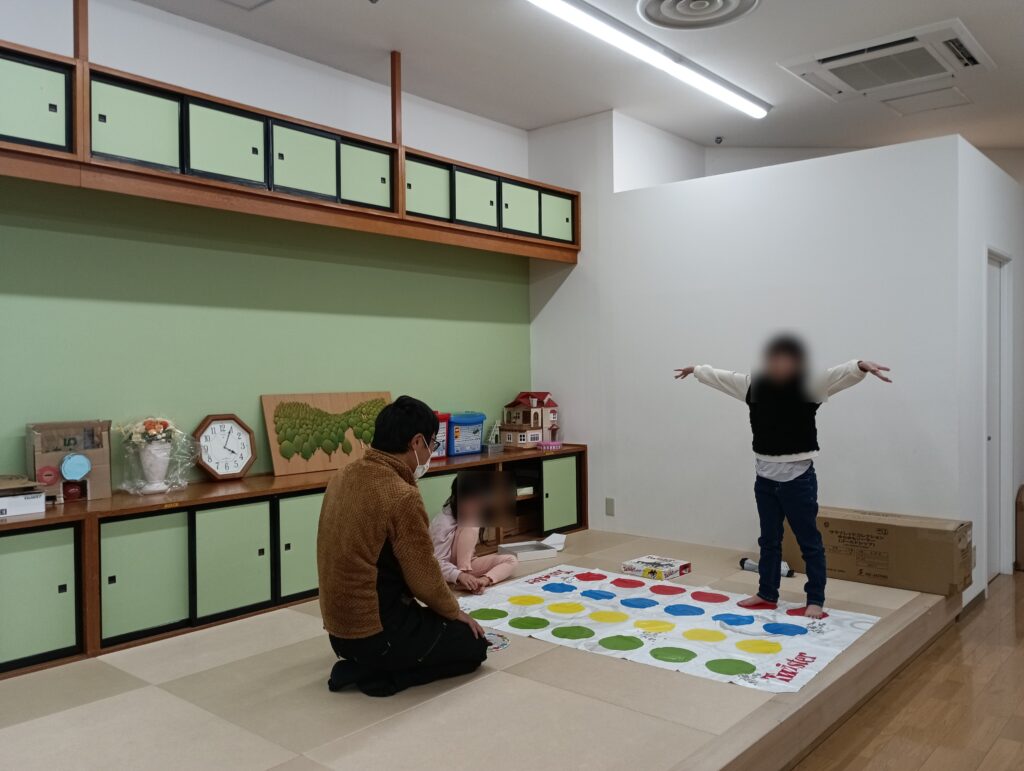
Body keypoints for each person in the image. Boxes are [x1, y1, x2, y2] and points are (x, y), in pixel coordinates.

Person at [674, 335, 891, 619]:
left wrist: (859, 366)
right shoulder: (754, 385)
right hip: (764, 477)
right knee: (769, 540)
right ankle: (767, 593)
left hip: (798, 478)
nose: (779, 365)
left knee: (808, 541)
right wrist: (697, 370)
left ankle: (815, 600)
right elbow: (723, 378)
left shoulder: (809, 386)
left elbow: (837, 376)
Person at [317, 395, 489, 697]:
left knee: (432, 625)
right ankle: (379, 674)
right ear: (417, 442)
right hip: (375, 634)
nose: (431, 453)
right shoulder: (400, 494)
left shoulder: (342, 476)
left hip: (337, 634)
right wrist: (454, 612)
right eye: (432, 445)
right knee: (473, 645)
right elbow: (423, 578)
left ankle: (369, 663)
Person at [430, 470, 518, 593]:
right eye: (472, 501)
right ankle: (465, 578)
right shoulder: (442, 522)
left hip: (467, 565)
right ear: (457, 499)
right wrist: (460, 575)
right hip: (448, 571)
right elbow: (436, 563)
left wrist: (483, 579)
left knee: (511, 560)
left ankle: (480, 581)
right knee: (471, 522)